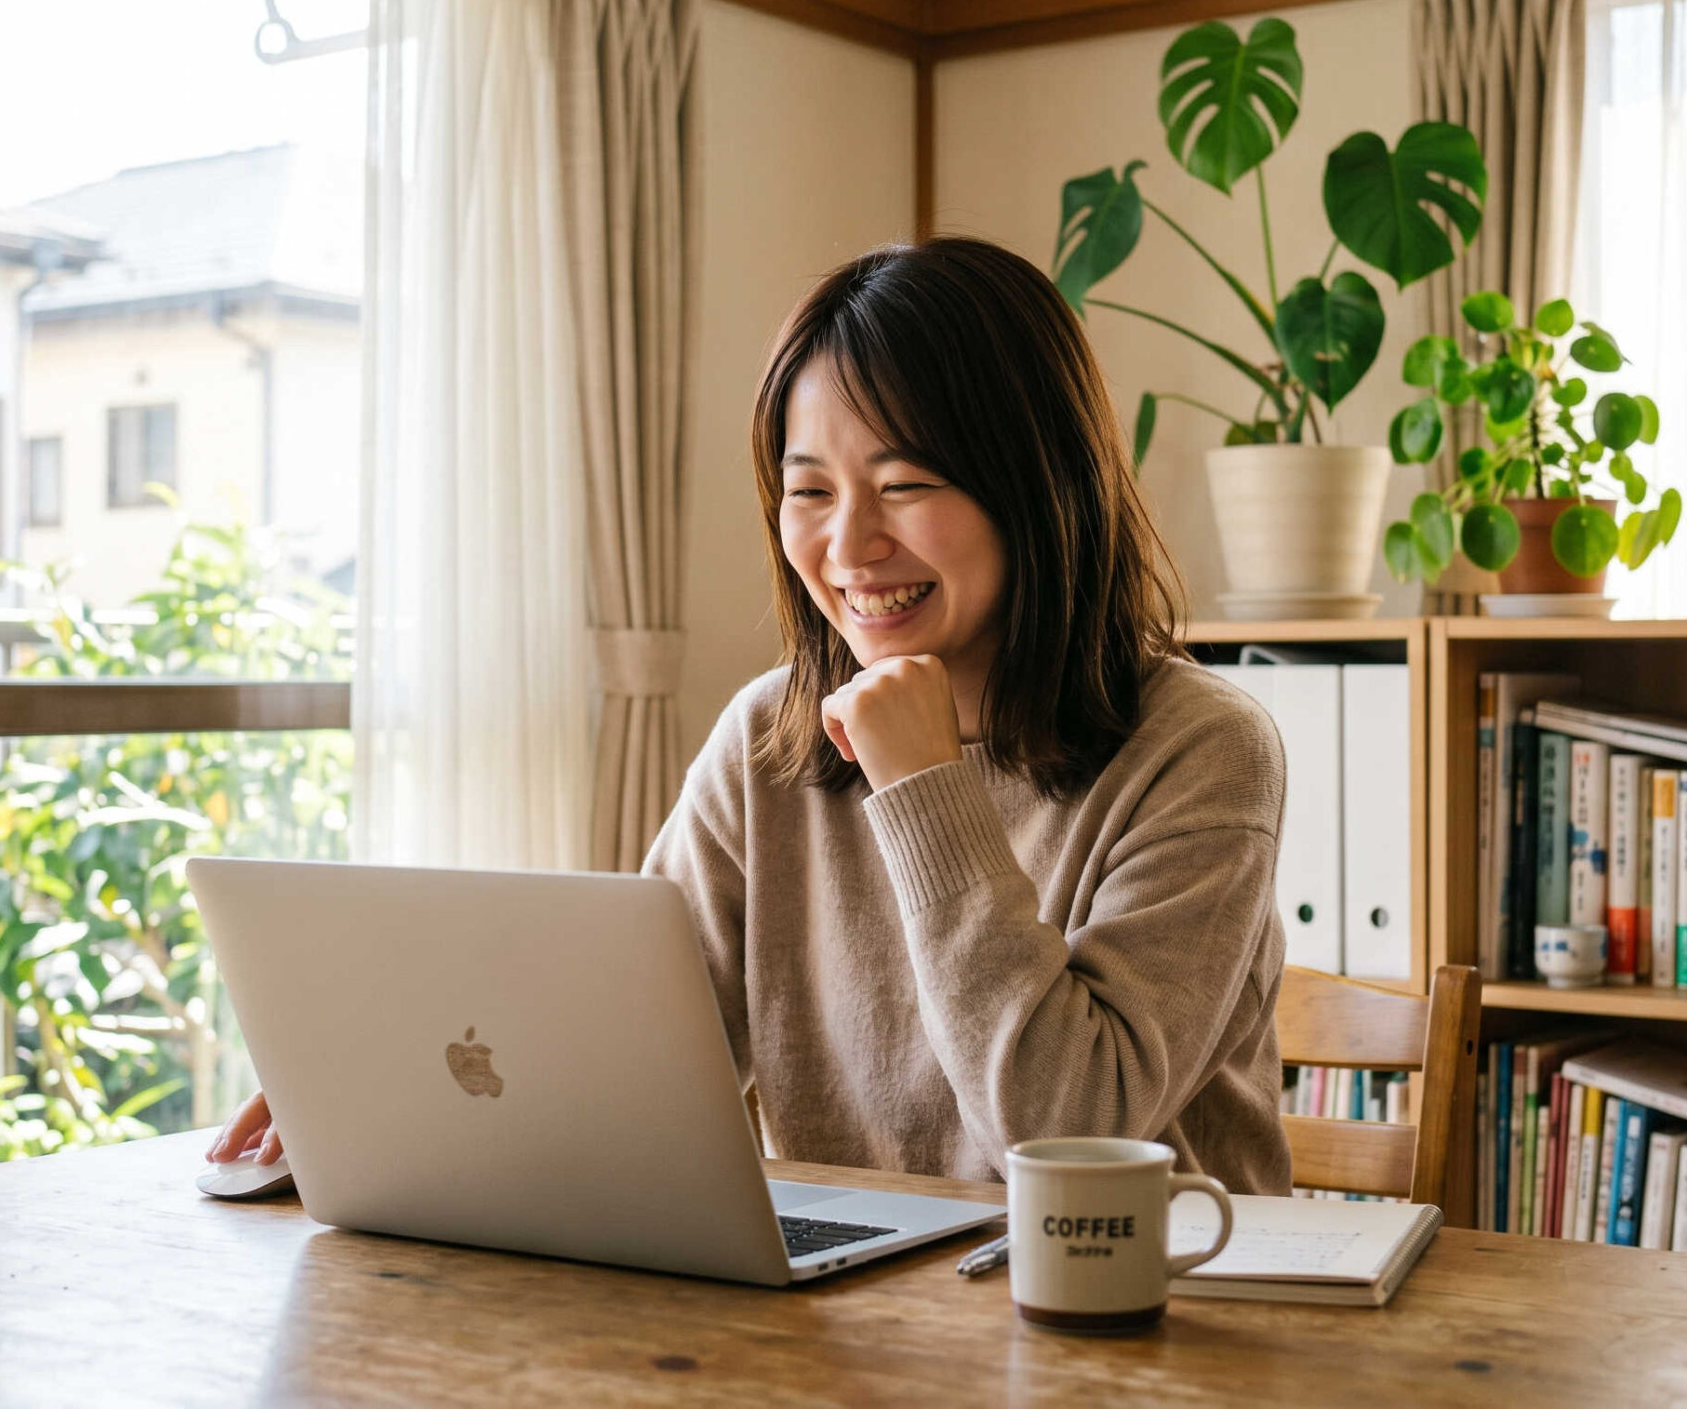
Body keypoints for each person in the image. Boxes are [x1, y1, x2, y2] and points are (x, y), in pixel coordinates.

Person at [211, 236, 1296, 1195]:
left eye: (907, 483)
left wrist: (924, 789)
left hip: (1150, 1319)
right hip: (855, 1320)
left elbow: (1064, 1130)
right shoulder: (766, 740)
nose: (851, 544)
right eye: (810, 489)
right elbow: (626, 1047)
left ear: (1037, 483)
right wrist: (379, 1091)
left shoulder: (1200, 749)